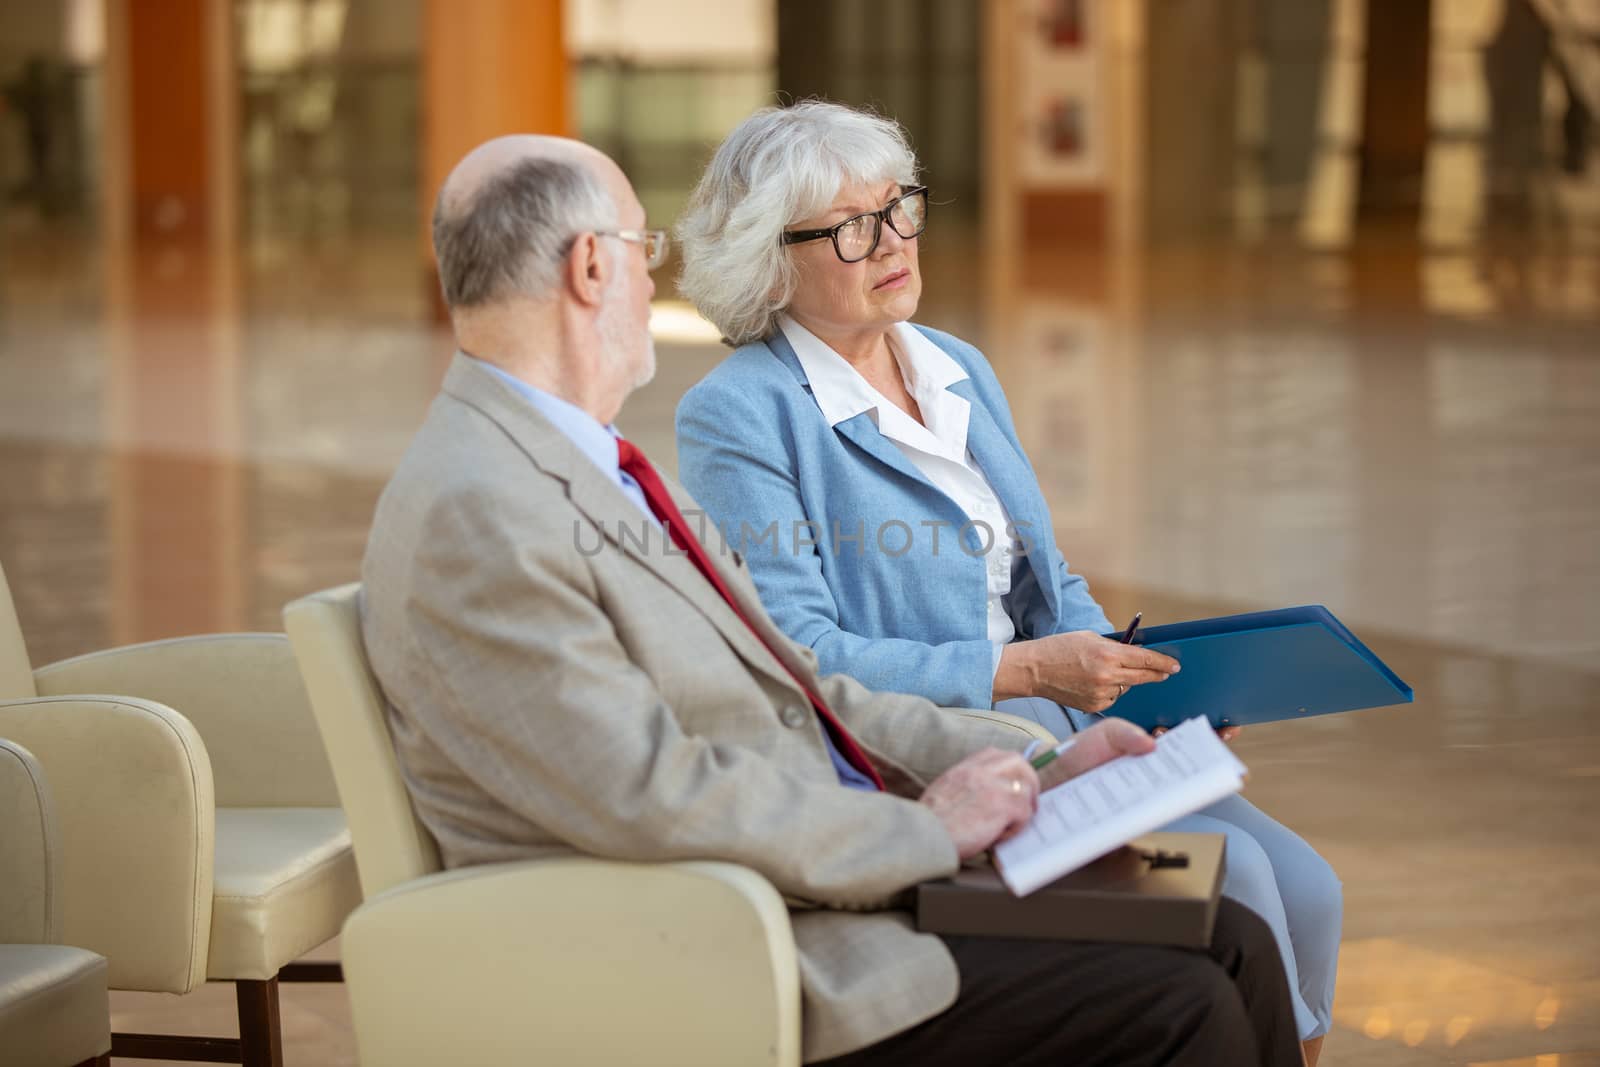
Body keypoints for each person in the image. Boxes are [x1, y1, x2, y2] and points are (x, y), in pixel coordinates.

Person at [359, 132, 1303, 1066]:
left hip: (817, 862)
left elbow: (797, 684)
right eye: (646, 253)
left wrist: (1040, 767)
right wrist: (927, 830)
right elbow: (648, 795)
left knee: (1229, 930)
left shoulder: (576, 458)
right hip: (738, 935)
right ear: (592, 268)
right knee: (1184, 997)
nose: (657, 284)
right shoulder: (481, 511)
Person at [673, 100, 1340, 1064]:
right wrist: (1028, 671)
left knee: (1311, 891)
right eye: (851, 228)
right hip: (955, 746)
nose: (892, 240)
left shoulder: (956, 368)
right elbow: (804, 658)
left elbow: (1046, 579)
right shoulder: (740, 414)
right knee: (1240, 892)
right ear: (768, 259)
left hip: (1070, 718)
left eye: (899, 207)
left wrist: (1151, 686)